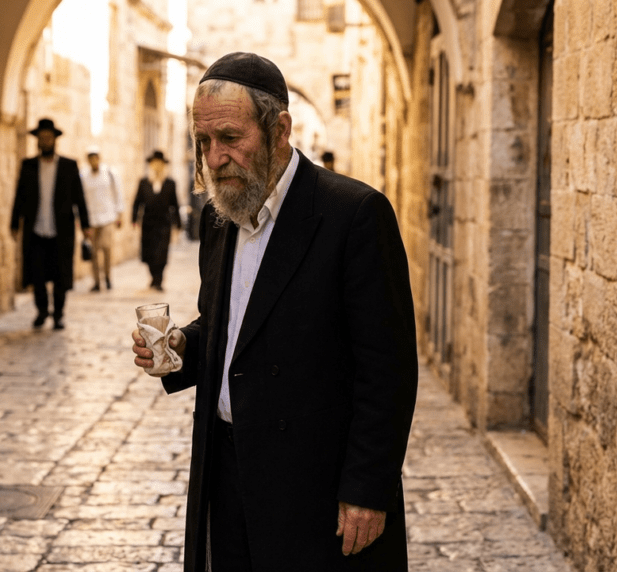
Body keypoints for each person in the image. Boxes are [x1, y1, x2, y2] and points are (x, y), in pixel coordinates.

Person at [130, 52, 418, 571]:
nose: (214, 159)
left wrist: (368, 489)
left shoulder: (353, 215)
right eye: (203, 142)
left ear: (280, 128)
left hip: (314, 484)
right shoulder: (221, 217)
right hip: (227, 471)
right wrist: (181, 347)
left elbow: (388, 369)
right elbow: (226, 328)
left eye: (230, 139)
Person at [10, 118, 91, 330]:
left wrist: (85, 225)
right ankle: (42, 310)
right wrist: (14, 223)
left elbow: (79, 197)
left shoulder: (68, 166)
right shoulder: (28, 166)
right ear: (37, 140)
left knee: (60, 276)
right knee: (36, 275)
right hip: (35, 230)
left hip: (60, 231)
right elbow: (19, 196)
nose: (45, 141)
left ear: (55, 140)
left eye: (48, 137)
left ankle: (58, 315)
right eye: (41, 138)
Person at [132, 150, 181, 291]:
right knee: (148, 253)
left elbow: (175, 204)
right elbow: (137, 202)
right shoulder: (144, 182)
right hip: (148, 224)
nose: (157, 166)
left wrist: (177, 223)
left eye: (160, 164)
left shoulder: (170, 183)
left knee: (161, 252)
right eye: (155, 164)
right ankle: (153, 276)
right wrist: (134, 219)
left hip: (164, 224)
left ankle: (158, 279)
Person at [80, 146, 124, 291]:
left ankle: (108, 277)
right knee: (93, 251)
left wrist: (119, 214)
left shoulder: (110, 173)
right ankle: (97, 281)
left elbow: (118, 193)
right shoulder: (84, 176)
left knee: (106, 249)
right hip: (91, 218)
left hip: (107, 217)